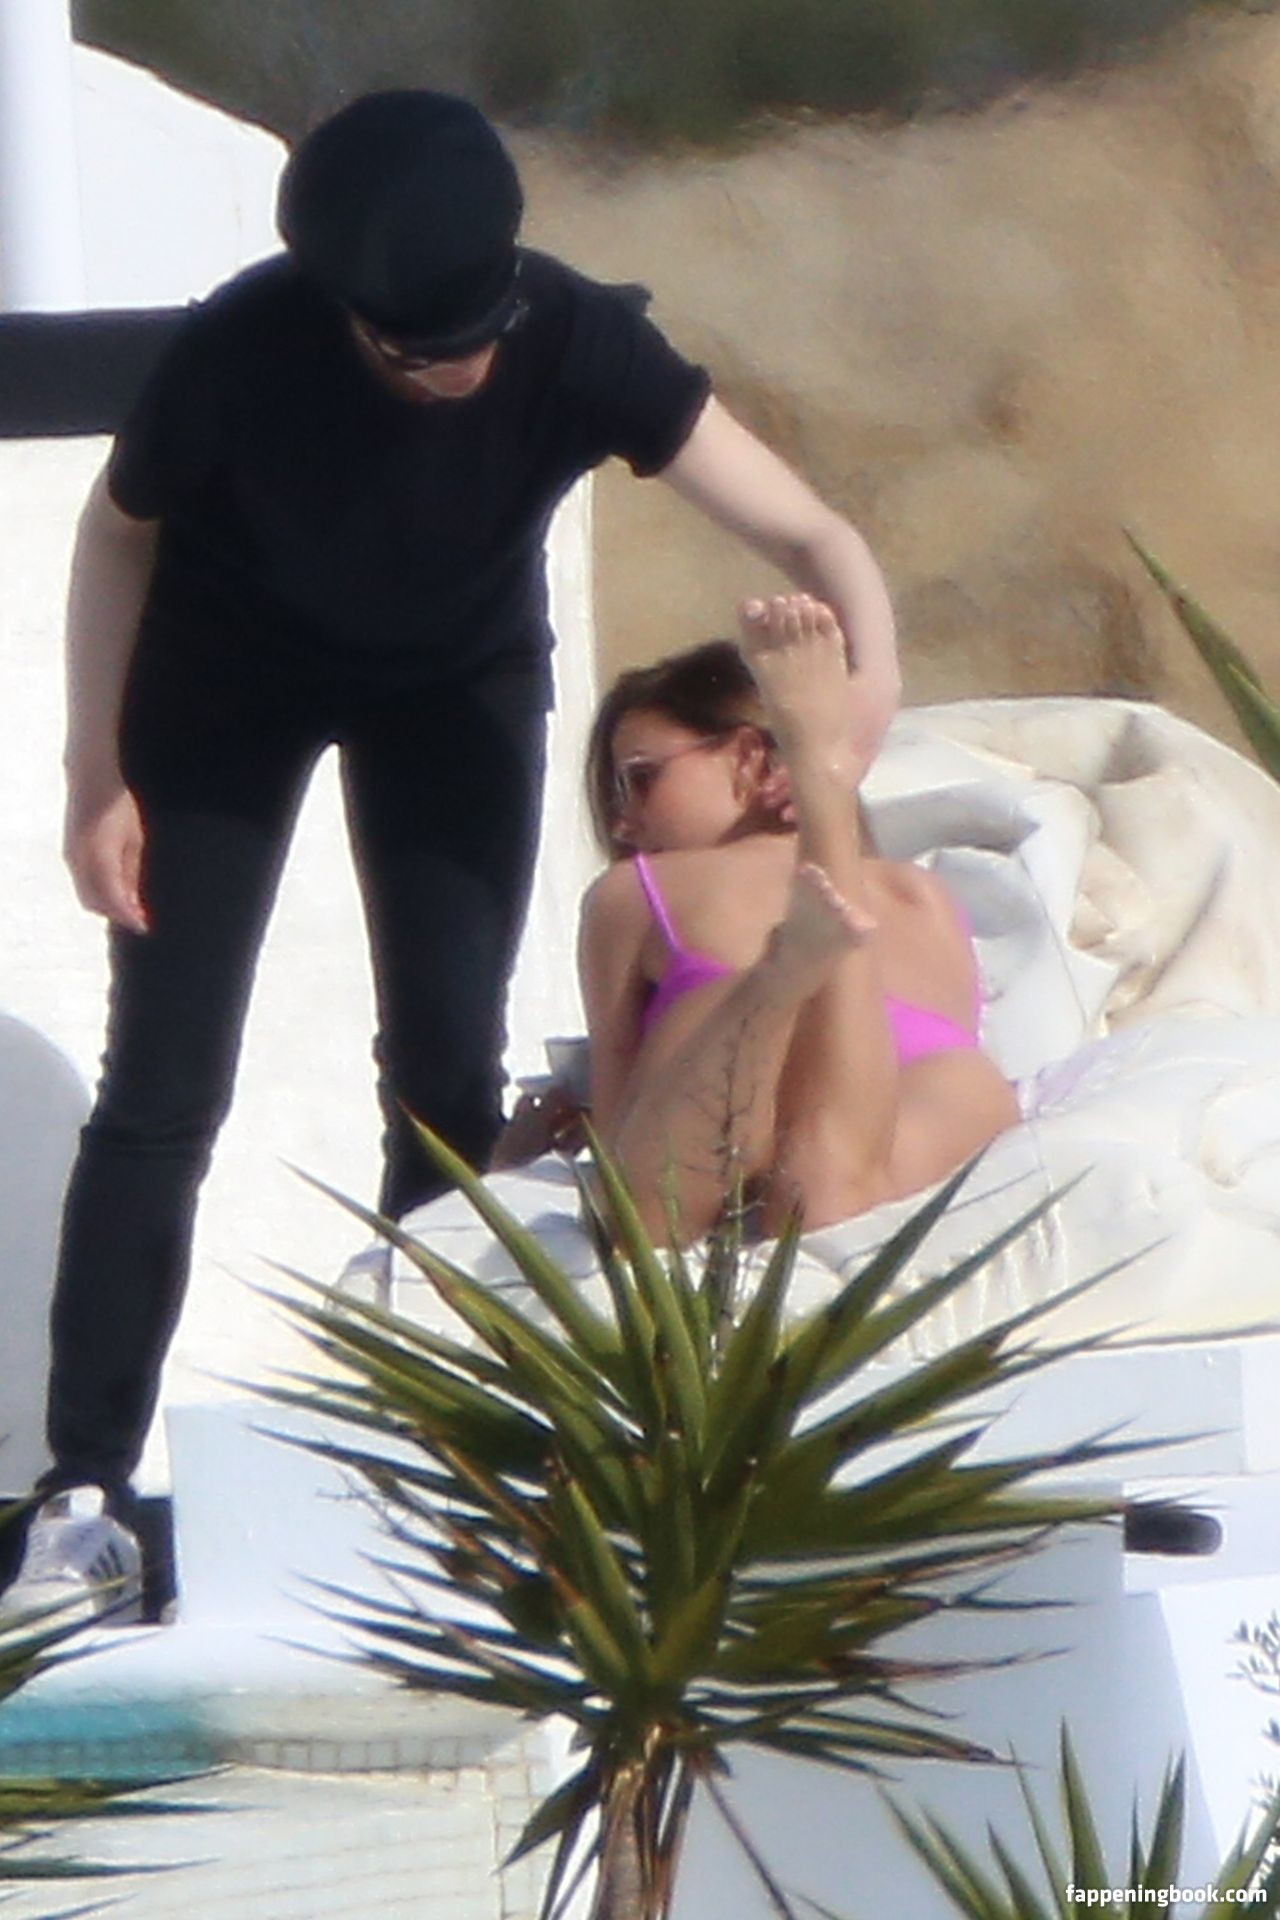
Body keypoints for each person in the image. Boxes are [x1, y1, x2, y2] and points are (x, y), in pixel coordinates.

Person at [3, 90, 900, 1619]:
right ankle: (80, 1493)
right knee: (164, 1084)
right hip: (224, 683)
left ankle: (430, 1455)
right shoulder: (244, 346)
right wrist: (97, 769)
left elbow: (820, 540)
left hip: (454, 687)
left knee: (442, 1068)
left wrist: (857, 707)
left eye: (478, 336)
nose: (462, 370)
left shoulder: (573, 336)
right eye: (421, 354)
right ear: (349, 316)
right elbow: (117, 532)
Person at [575, 595, 1019, 1241]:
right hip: (907, 1093)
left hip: (744, 1075)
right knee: (830, 1192)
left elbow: (617, 1131)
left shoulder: (637, 891)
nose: (622, 822)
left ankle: (777, 979)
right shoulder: (917, 894)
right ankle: (825, 799)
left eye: (639, 780)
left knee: (641, 1217)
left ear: (751, 759)